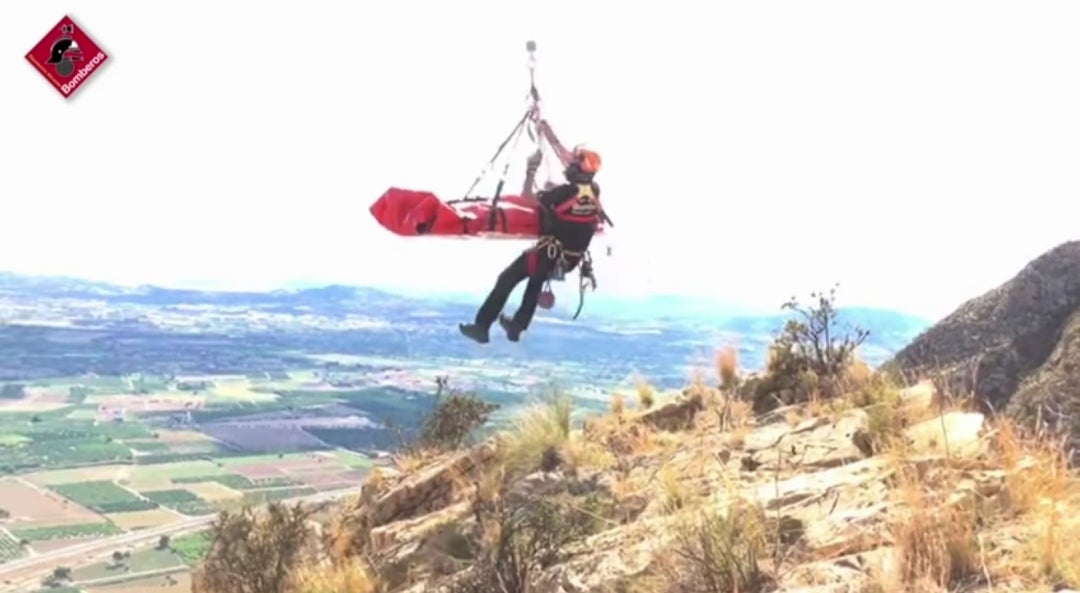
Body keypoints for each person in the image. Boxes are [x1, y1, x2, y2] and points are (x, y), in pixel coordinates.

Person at [459, 121, 604, 343]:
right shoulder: (593, 191)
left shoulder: (564, 192)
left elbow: (527, 198)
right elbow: (565, 156)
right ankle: (516, 327)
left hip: (550, 253)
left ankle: (482, 326)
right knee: (533, 285)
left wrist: (531, 170)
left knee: (507, 279)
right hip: (569, 258)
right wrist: (545, 130)